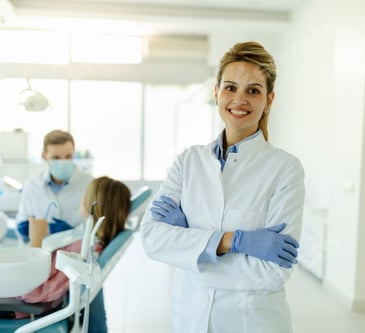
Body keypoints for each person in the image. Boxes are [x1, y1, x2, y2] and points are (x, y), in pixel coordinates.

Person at [140, 41, 305, 333]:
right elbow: (152, 239)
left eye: (253, 90)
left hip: (252, 322)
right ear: (216, 92)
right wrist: (233, 241)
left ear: (269, 100)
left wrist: (191, 245)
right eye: (230, 87)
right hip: (190, 317)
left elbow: (273, 272)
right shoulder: (187, 162)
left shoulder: (285, 169)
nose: (239, 99)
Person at [16, 176, 131, 332]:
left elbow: (36, 293)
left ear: (94, 205)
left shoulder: (86, 249)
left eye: (86, 194)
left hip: (23, 304)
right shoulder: (88, 239)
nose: (82, 197)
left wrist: (35, 242)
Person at [15, 129, 94, 240]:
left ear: (74, 154)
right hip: (41, 253)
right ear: (44, 156)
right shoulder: (32, 185)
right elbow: (21, 220)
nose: (63, 162)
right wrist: (22, 229)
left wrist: (73, 232)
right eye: (56, 158)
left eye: (68, 157)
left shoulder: (90, 184)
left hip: (75, 253)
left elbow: (99, 229)